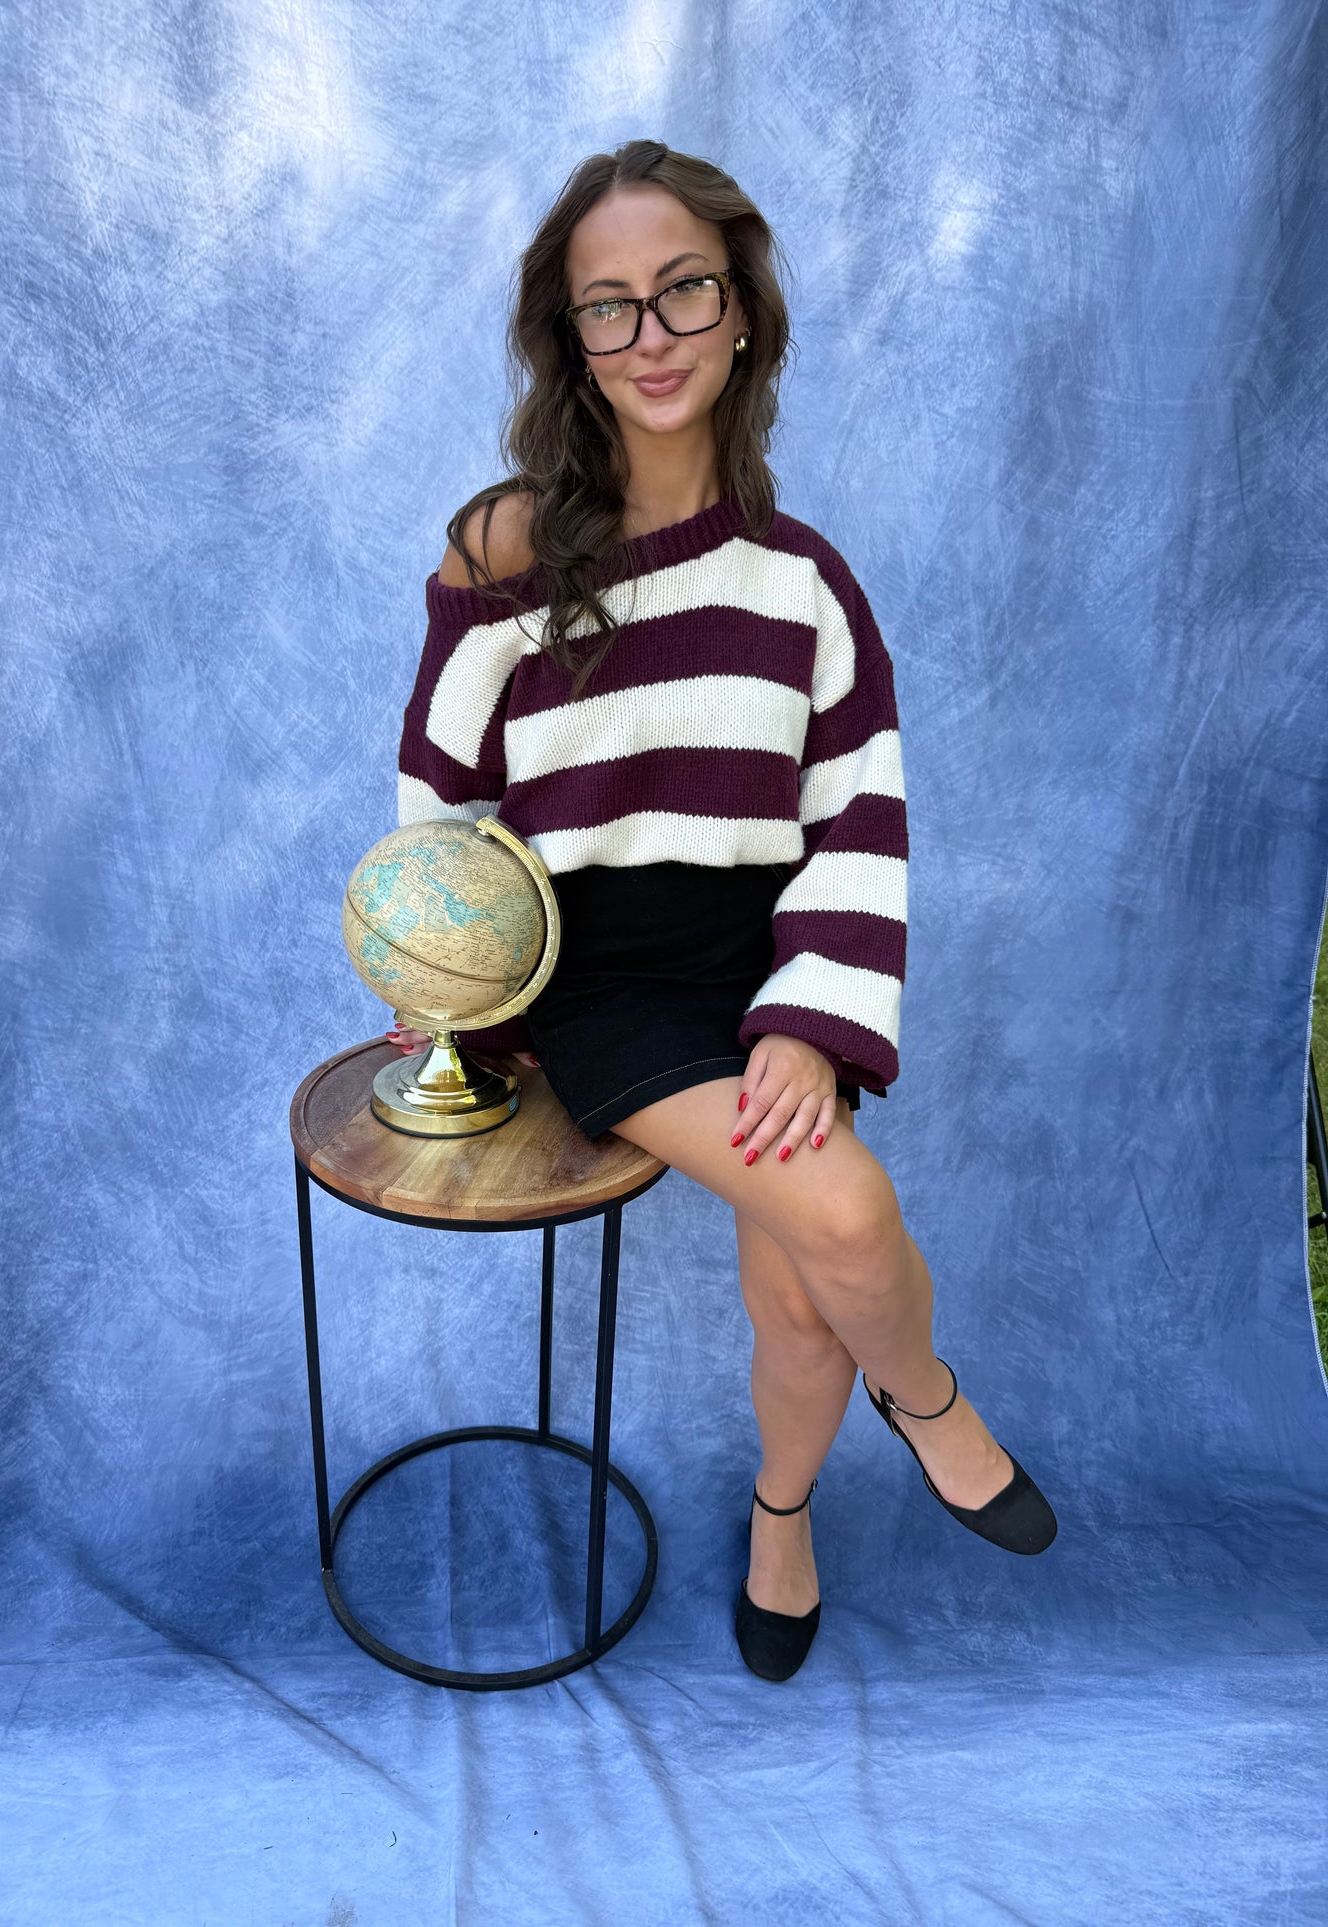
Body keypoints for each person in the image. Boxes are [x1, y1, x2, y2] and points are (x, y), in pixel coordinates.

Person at [390, 139, 1056, 1683]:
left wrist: (809, 1022)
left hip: (767, 970)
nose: (651, 335)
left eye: (683, 290)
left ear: (740, 310)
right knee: (847, 1216)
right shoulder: (502, 550)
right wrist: (441, 971)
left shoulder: (805, 585)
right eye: (606, 306)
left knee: (804, 1301)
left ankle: (780, 1517)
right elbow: (437, 794)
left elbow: (859, 821)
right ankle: (932, 1403)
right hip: (598, 982)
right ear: (570, 339)